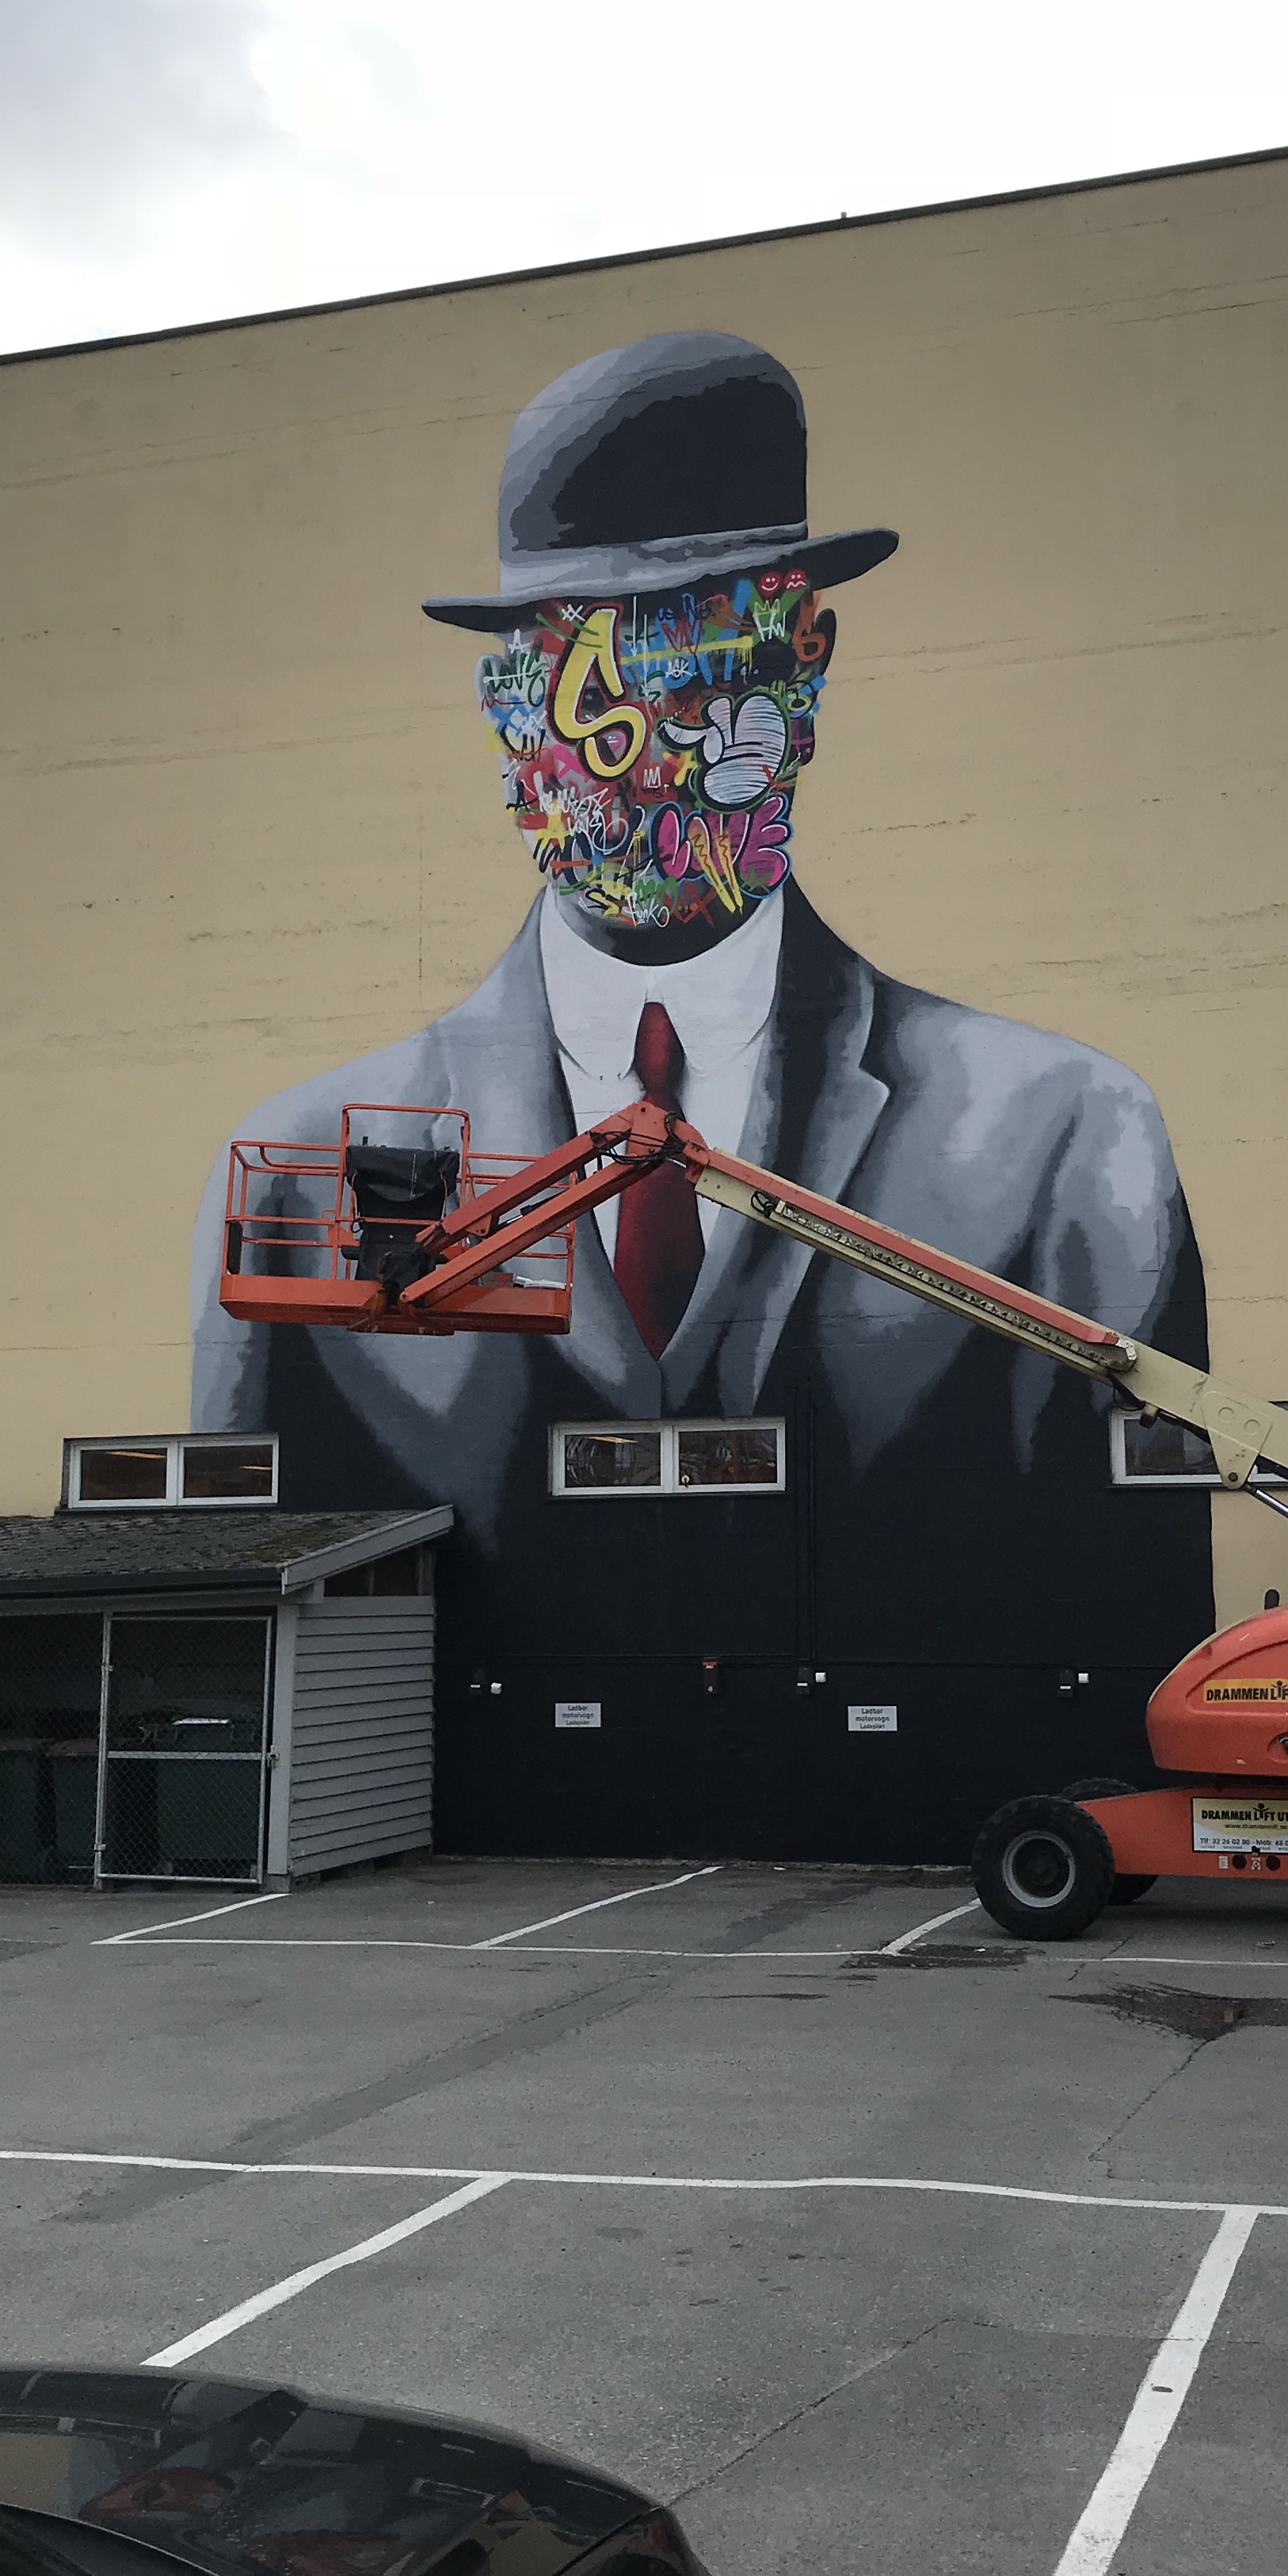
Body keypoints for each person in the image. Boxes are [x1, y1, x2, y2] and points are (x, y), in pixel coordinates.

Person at [189, 331, 1209, 1838]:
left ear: (809, 659)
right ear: (505, 703)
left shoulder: (1065, 1135)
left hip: (933, 1804)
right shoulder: (297, 1163)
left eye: (698, 663)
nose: (644, 745)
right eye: (584, 672)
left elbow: (1137, 1577)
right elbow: (234, 1562)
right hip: (453, 1809)